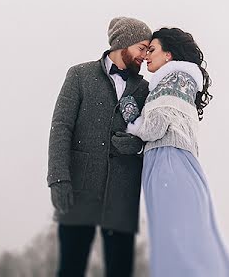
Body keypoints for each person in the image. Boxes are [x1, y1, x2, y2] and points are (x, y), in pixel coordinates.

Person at [125, 27, 229, 276]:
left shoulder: (175, 79)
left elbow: (156, 125)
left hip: (169, 161)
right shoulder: (175, 81)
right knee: (182, 236)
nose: (146, 56)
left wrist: (131, 119)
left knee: (176, 239)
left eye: (152, 50)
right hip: (170, 161)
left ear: (169, 55)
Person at [47, 17, 153, 277]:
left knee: (120, 270)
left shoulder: (145, 88)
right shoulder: (79, 75)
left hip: (122, 192)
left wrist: (136, 145)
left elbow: (150, 132)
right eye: (142, 47)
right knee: (70, 267)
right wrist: (58, 179)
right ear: (124, 43)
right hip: (80, 187)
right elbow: (61, 127)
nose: (144, 55)